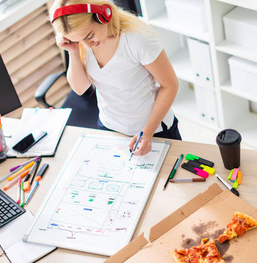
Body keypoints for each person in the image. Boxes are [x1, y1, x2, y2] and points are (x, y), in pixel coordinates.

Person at [50, 0, 181, 156]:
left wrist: (147, 132)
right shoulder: (83, 45)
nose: (87, 45)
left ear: (103, 16)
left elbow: (170, 85)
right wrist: (73, 51)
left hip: (152, 129)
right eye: (79, 40)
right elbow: (80, 88)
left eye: (89, 36)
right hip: (110, 126)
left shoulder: (137, 39)